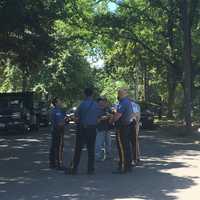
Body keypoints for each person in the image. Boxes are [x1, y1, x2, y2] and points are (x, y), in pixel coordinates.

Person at [66, 88, 100, 175]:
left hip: (82, 128)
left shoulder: (82, 105)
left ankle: (74, 168)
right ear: (92, 95)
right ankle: (90, 169)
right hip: (92, 128)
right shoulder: (96, 105)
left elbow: (76, 117)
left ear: (85, 94)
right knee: (91, 149)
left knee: (78, 149)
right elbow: (98, 118)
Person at [110, 89, 134, 174]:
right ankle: (128, 165)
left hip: (122, 127)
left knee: (122, 147)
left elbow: (117, 116)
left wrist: (112, 119)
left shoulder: (123, 103)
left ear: (121, 94)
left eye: (118, 93)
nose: (117, 95)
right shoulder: (127, 102)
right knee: (126, 146)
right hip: (127, 126)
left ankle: (123, 167)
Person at [49, 97, 65, 170]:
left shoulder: (59, 110)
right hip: (57, 130)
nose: (61, 102)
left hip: (57, 130)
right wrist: (63, 123)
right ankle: (58, 164)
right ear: (56, 103)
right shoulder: (56, 111)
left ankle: (53, 163)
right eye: (59, 101)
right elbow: (59, 122)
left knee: (54, 146)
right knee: (58, 147)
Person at [95, 97, 112, 161]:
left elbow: (112, 117)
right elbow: (96, 121)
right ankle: (97, 156)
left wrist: (110, 116)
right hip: (100, 129)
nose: (104, 103)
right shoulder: (96, 110)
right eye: (103, 101)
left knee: (108, 143)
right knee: (98, 144)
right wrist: (102, 118)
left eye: (105, 102)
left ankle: (108, 156)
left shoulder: (108, 109)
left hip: (108, 128)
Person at [130, 100, 141, 165]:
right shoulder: (136, 105)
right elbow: (138, 116)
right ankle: (137, 157)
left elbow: (137, 115)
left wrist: (136, 124)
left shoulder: (133, 105)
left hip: (133, 124)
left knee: (134, 141)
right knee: (135, 141)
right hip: (135, 124)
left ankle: (135, 157)